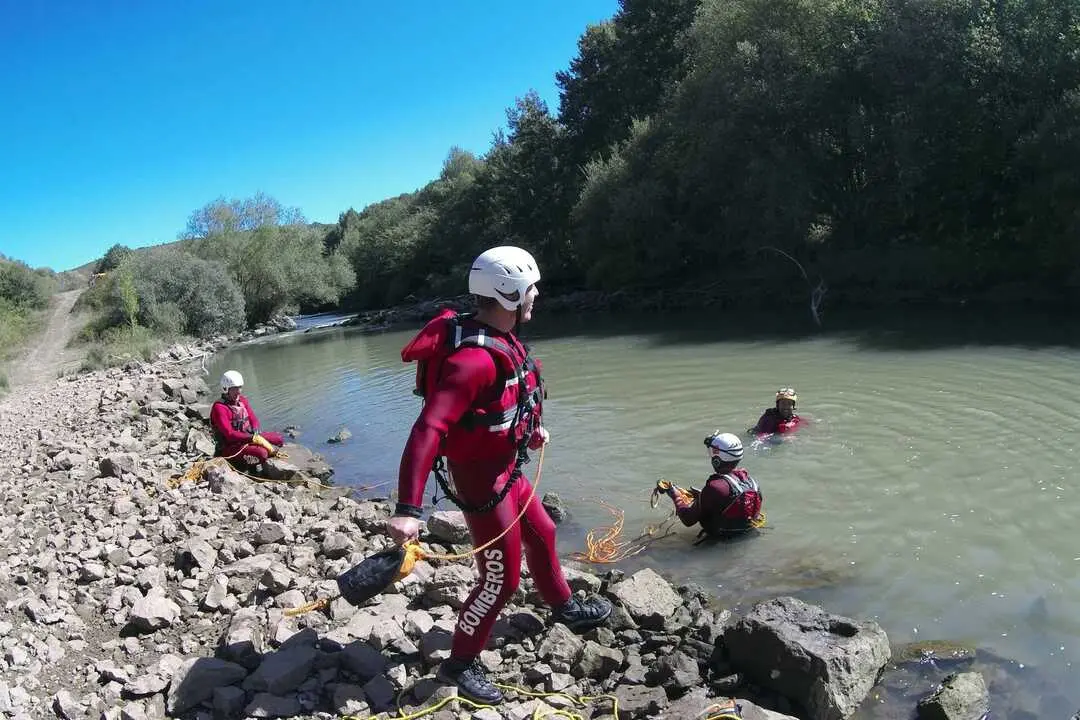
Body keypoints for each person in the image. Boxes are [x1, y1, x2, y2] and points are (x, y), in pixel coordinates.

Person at [387, 246, 612, 705]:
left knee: (544, 532)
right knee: (501, 580)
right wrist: (407, 510)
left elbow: (505, 403)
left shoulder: (501, 339)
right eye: (531, 288)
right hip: (481, 482)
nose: (537, 295)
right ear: (508, 294)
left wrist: (529, 429)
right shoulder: (472, 361)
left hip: (505, 468)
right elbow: (428, 428)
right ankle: (459, 665)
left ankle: (563, 606)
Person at [660, 431, 764, 541]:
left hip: (720, 542)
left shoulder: (714, 488)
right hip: (746, 536)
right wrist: (701, 496)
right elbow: (730, 503)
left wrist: (675, 495)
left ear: (717, 460)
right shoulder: (753, 483)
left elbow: (688, 520)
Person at [209, 370, 285, 472]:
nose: (239, 391)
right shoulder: (219, 407)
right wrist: (251, 438)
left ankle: (253, 452)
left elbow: (253, 418)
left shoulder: (242, 400)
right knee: (262, 454)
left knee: (278, 439)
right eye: (235, 388)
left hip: (247, 438)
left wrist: (255, 429)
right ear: (226, 389)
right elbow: (229, 434)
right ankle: (241, 463)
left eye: (240, 387)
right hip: (231, 447)